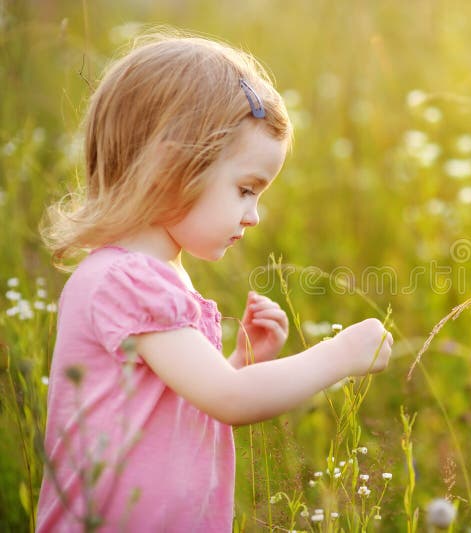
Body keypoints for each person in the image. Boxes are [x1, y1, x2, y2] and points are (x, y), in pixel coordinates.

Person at [35, 32, 393, 532]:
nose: (255, 216)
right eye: (246, 189)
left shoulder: (155, 275)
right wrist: (341, 354)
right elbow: (229, 399)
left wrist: (240, 362)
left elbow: (174, 400)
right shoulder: (125, 280)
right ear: (170, 165)